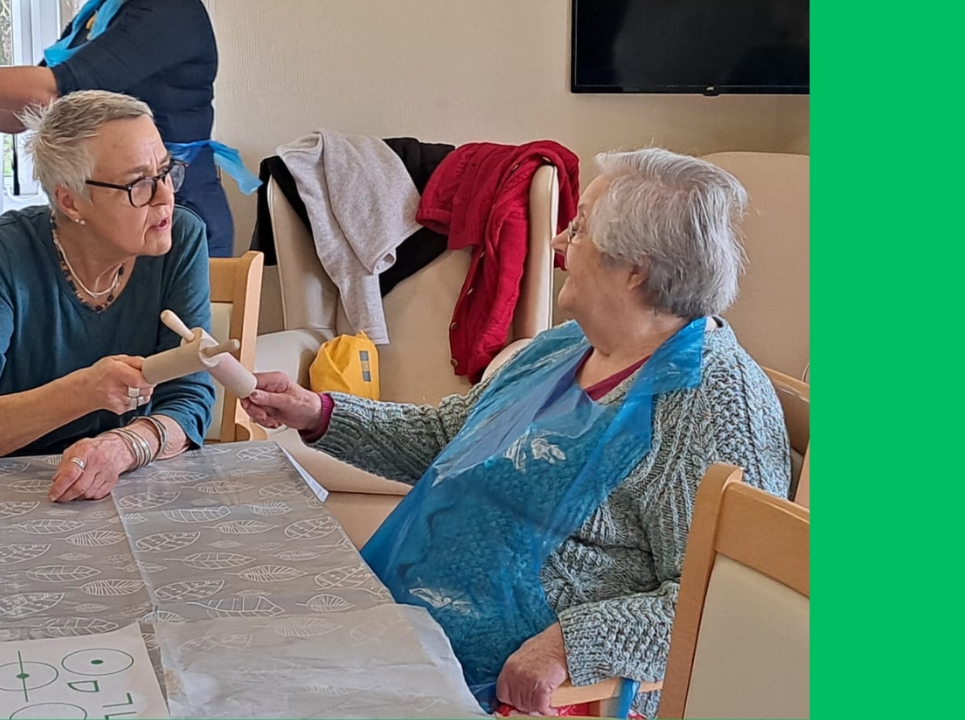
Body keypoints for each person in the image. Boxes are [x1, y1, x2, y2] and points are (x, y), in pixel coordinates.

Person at [241, 148, 791, 717]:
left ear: (636, 270)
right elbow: (447, 440)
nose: (556, 245)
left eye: (577, 232)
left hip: (537, 694)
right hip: (414, 633)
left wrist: (568, 645)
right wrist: (319, 413)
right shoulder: (560, 348)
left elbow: (728, 602)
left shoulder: (715, 407)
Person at [0, 90, 215, 505]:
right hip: (26, 493)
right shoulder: (2, 250)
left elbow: (190, 397)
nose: (164, 197)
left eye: (165, 171)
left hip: (141, 483)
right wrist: (86, 389)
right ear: (70, 200)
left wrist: (122, 447)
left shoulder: (182, 238)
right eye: (138, 184)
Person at [0, 0, 240, 257]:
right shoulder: (100, 13)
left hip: (173, 211)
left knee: (173, 350)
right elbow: (28, 112)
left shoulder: (168, 10)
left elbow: (50, 89)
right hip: (112, 216)